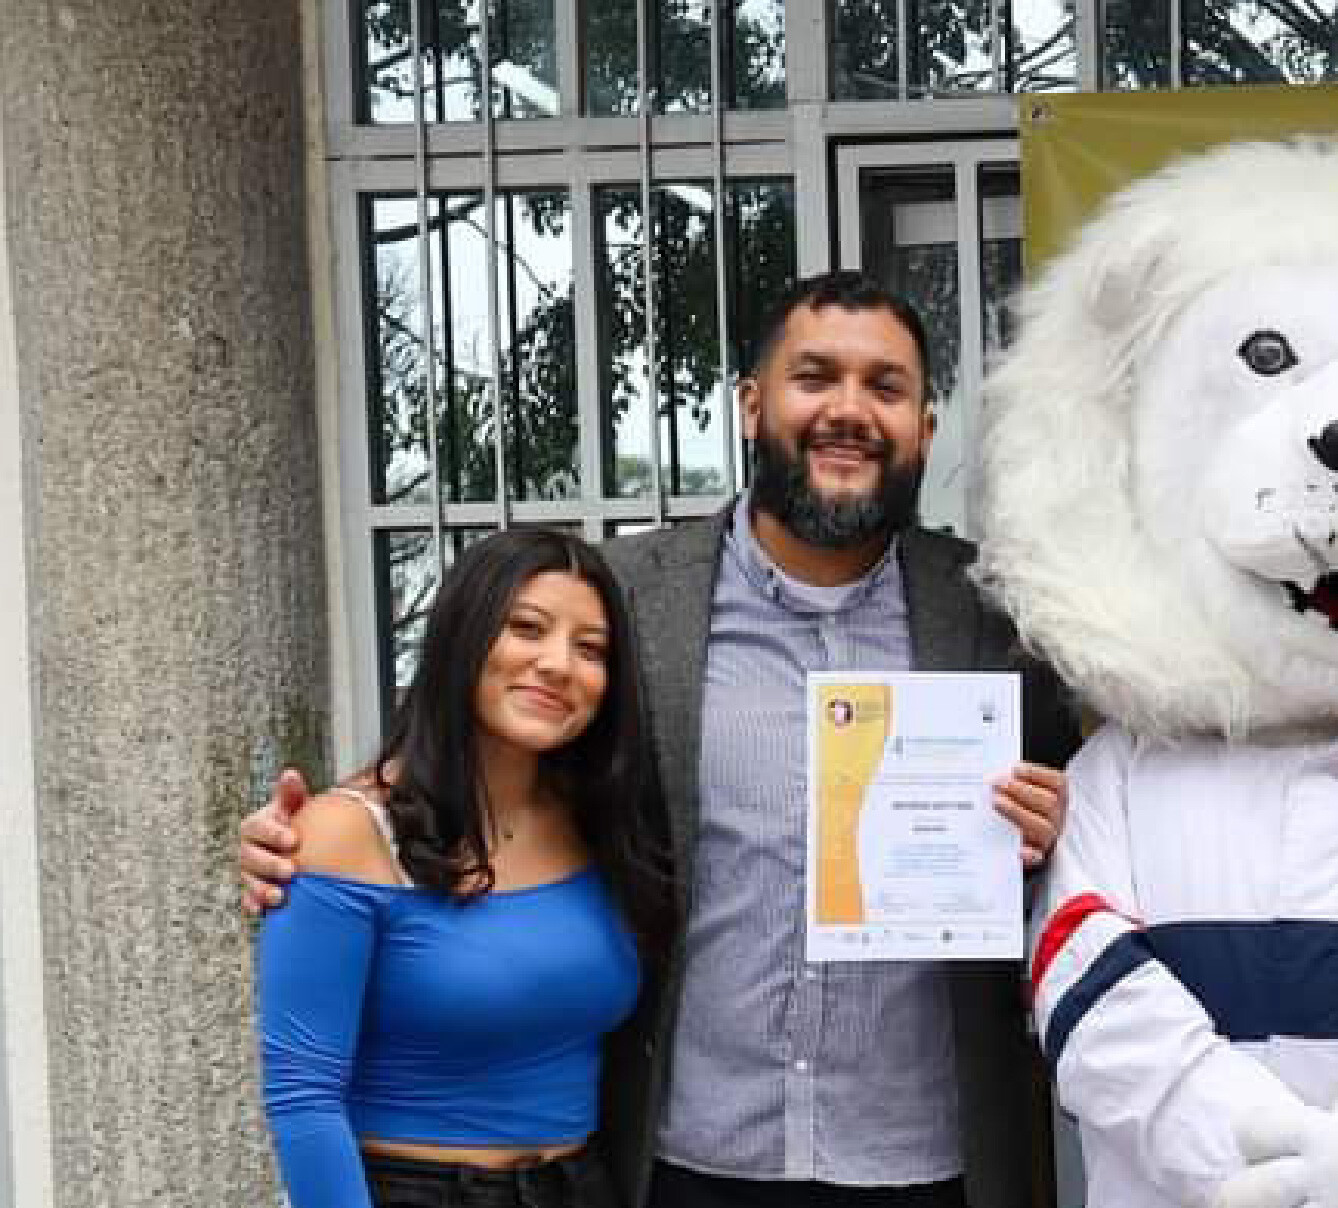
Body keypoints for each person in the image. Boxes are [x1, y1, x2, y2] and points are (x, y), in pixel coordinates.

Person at [243, 271, 1081, 1208]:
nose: (849, 410)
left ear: (924, 428)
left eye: (884, 387)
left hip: (928, 1160)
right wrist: (315, 837)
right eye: (815, 377)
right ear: (753, 405)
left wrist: (1053, 840)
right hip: (681, 1158)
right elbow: (491, 763)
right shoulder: (625, 601)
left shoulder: (1002, 621)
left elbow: (1086, 856)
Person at [259, 527, 672, 1208]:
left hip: (583, 1184)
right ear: (463, 637)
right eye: (526, 628)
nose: (558, 664)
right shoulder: (344, 834)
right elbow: (304, 1099)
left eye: (591, 649)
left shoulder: (601, 827)